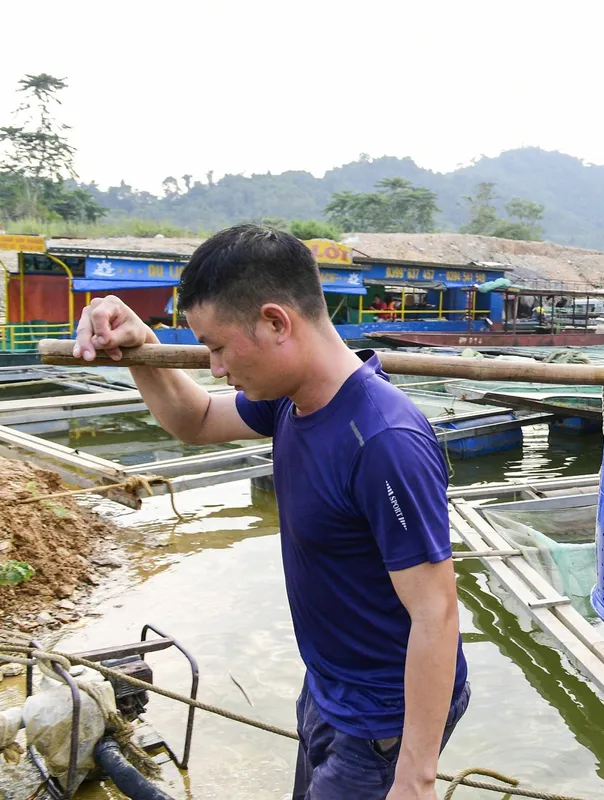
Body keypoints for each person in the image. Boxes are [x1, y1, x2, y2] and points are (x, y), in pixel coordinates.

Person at [70, 224, 470, 800]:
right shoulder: (290, 400)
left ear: (276, 322)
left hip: (385, 715)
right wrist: (140, 347)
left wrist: (416, 776)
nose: (214, 367)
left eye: (218, 346)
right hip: (331, 683)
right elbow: (197, 420)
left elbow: (437, 613)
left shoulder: (382, 441)